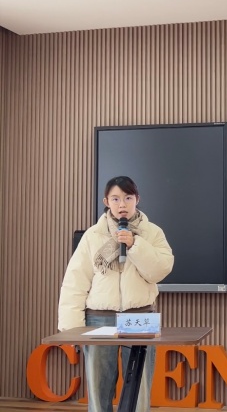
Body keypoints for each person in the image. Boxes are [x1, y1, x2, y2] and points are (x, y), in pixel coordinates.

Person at [58, 176, 174, 412]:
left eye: (128, 198)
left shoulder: (152, 233)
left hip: (140, 317)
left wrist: (134, 245)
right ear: (106, 202)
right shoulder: (93, 235)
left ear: (137, 199)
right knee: (99, 391)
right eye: (116, 199)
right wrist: (72, 329)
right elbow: (75, 282)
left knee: (139, 391)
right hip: (98, 318)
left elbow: (160, 270)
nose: (122, 205)